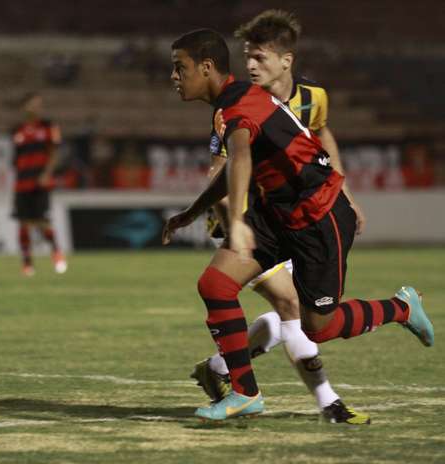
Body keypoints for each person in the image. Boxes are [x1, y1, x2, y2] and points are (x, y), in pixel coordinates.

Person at [164, 28, 433, 421]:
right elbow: (231, 167)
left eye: (179, 67)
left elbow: (240, 158)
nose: (174, 76)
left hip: (319, 215)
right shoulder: (232, 104)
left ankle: (401, 307)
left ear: (206, 67)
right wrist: (191, 212)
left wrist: (236, 219)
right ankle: (245, 393)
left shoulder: (240, 104)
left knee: (318, 326)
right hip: (279, 213)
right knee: (215, 284)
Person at [192, 10, 369, 424]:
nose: (250, 66)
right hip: (252, 226)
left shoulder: (312, 97)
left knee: (287, 318)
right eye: (247, 57)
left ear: (285, 60)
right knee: (291, 305)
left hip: (295, 219)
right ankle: (329, 404)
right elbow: (222, 168)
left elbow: (321, 137)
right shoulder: (235, 108)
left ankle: (218, 369)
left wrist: (346, 193)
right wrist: (235, 223)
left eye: (260, 58)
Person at [12, 92, 67, 276]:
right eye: (33, 104)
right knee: (23, 223)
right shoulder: (17, 130)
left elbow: (55, 152)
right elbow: (17, 159)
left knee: (43, 222)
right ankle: (27, 263)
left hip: (41, 182)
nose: (37, 108)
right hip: (22, 183)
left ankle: (56, 253)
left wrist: (47, 173)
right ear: (24, 107)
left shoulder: (49, 126)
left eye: (39, 104)